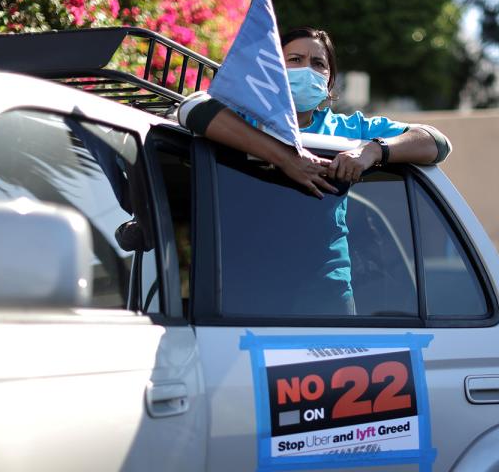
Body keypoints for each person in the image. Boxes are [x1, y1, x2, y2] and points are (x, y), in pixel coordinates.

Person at [177, 27, 452, 315]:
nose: (306, 70)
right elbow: (192, 108)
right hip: (246, 282)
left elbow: (436, 142)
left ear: (329, 81)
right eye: (294, 59)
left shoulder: (346, 129)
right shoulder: (245, 119)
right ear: (273, 69)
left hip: (325, 286)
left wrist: (371, 150)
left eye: (318, 64)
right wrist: (286, 159)